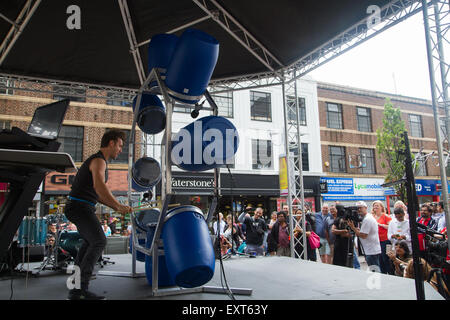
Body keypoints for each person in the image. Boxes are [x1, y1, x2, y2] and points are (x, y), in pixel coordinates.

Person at [64, 130, 132, 300]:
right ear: (111, 143)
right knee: (99, 241)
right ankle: (81, 289)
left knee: (90, 242)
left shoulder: (100, 161)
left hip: (79, 206)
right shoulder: (98, 161)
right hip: (79, 207)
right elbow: (99, 186)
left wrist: (118, 206)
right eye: (120, 145)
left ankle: (76, 288)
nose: (120, 150)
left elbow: (99, 195)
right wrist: (117, 206)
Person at [347, 201, 381, 272]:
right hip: (369, 250)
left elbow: (363, 235)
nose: (359, 210)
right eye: (357, 208)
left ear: (366, 208)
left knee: (375, 270)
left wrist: (353, 228)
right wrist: (357, 230)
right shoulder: (365, 218)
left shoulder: (367, 219)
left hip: (371, 251)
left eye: (360, 208)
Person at [371, 200, 392, 274]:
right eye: (374, 206)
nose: (375, 207)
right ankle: (383, 273)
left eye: (377, 206)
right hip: (376, 241)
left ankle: (390, 273)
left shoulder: (385, 216)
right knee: (379, 259)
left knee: (385, 258)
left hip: (385, 240)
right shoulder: (372, 217)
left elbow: (391, 227)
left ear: (381, 207)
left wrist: (381, 225)